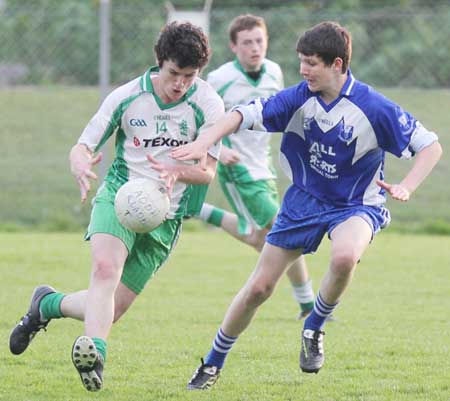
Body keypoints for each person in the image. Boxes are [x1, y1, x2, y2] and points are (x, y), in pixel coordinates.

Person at [172, 21, 442, 390]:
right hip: (303, 202)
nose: (303, 70)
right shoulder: (299, 97)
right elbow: (243, 114)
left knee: (345, 257)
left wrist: (407, 186)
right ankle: (212, 363)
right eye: (301, 61)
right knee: (259, 289)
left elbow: (430, 146)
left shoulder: (373, 106)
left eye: (311, 63)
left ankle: (313, 327)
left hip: (356, 204)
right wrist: (206, 141)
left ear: (337, 64)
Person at [9, 21, 224, 392]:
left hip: (165, 216)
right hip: (119, 196)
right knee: (105, 270)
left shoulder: (208, 104)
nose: (180, 85)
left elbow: (208, 174)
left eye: (190, 76)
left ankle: (46, 306)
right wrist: (78, 161)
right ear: (159, 61)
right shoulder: (127, 96)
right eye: (174, 74)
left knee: (112, 309)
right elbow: (84, 145)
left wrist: (178, 170)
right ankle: (96, 358)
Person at [196, 14, 318, 319]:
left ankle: (198, 209)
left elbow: (280, 112)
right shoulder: (220, 79)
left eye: (259, 41)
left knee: (258, 238)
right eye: (247, 42)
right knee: (284, 231)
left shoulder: (274, 72)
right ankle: (309, 307)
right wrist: (218, 152)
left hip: (265, 167)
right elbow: (201, 120)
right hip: (238, 170)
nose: (255, 47)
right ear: (234, 47)